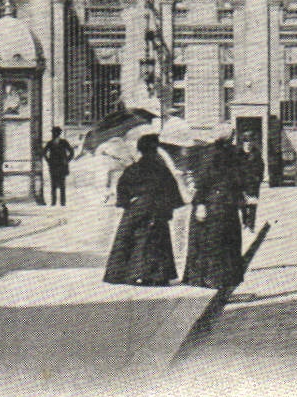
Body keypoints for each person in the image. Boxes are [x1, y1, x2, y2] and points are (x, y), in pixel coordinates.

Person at [103, 134, 184, 286]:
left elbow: (122, 188)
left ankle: (129, 273)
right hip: (157, 208)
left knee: (131, 238)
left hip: (137, 208)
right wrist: (168, 209)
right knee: (156, 240)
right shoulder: (162, 169)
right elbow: (172, 190)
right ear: (155, 150)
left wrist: (126, 203)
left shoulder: (133, 168)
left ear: (140, 150)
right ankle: (156, 275)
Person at [183, 124, 246, 292]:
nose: (234, 136)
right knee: (219, 242)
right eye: (232, 134)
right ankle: (216, 279)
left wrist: (200, 202)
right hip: (220, 203)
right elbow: (206, 179)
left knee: (218, 241)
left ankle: (215, 278)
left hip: (220, 203)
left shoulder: (222, 153)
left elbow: (209, 178)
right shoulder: (222, 153)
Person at [239, 130, 265, 231]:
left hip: (253, 184)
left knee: (253, 205)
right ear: (243, 143)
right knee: (242, 205)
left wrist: (259, 178)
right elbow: (235, 167)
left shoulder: (256, 154)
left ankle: (251, 225)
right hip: (241, 183)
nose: (248, 143)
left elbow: (261, 167)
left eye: (250, 141)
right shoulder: (239, 154)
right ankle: (245, 221)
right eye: (246, 141)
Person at [43, 127, 75, 206]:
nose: (55, 134)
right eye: (54, 133)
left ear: (59, 134)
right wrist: (49, 161)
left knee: (62, 185)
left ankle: (63, 202)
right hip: (53, 166)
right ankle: (53, 202)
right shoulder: (50, 143)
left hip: (62, 166)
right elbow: (44, 152)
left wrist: (67, 160)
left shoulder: (64, 142)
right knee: (53, 185)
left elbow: (71, 152)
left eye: (56, 133)